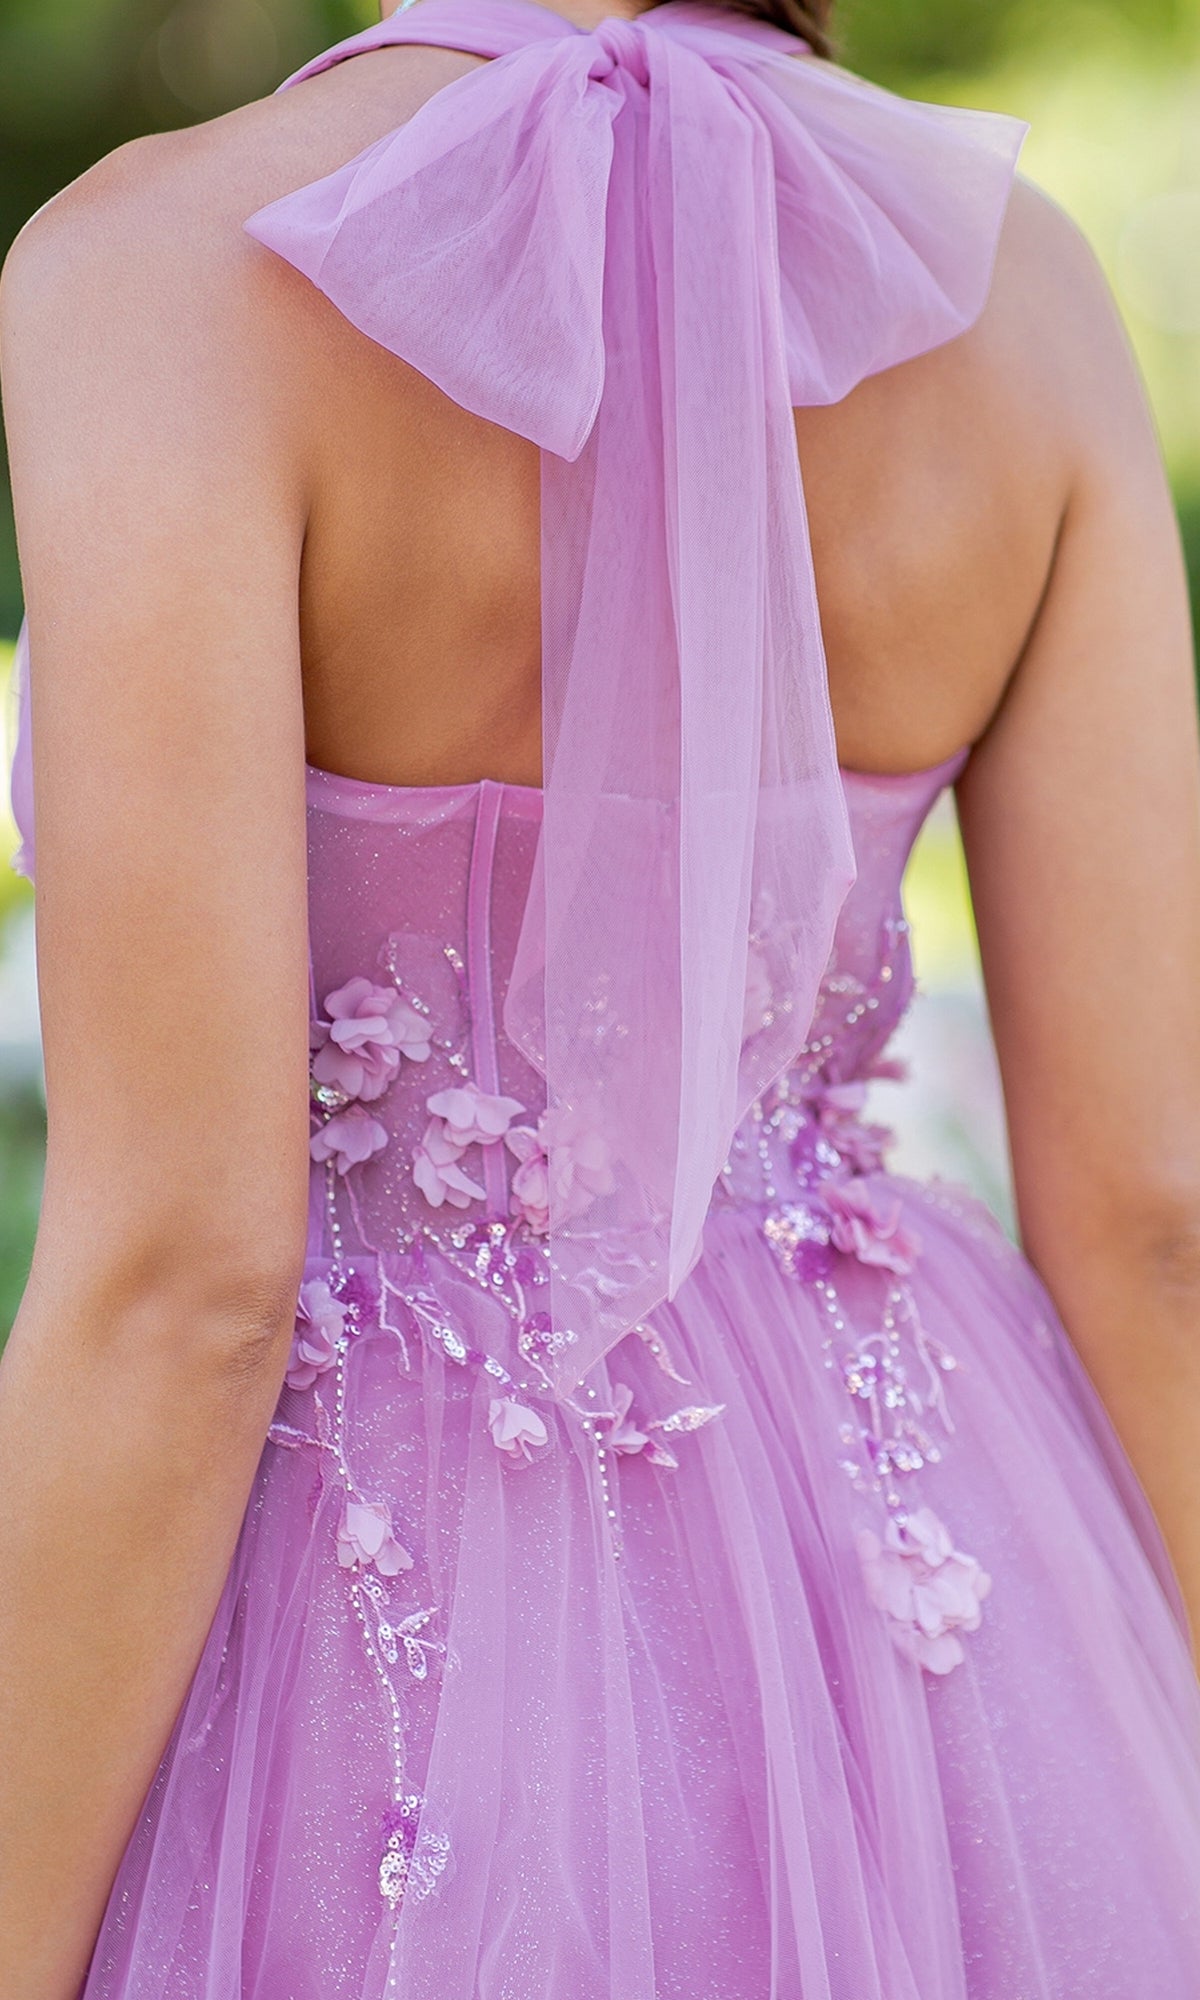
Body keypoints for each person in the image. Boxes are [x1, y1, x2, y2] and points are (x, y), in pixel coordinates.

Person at [2, 0, 1200, 1991]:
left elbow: (185, 1282)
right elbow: (1160, 1216)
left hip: (346, 1618)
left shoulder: (164, 278)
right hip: (903, 1588)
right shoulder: (1017, 296)